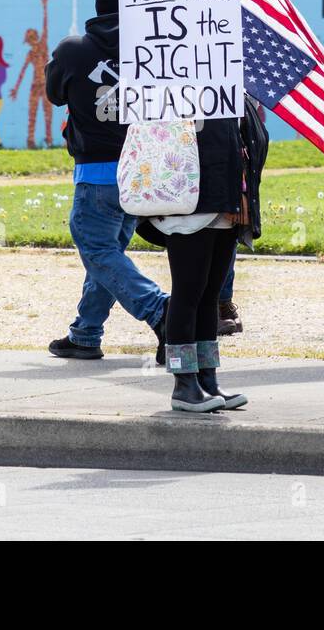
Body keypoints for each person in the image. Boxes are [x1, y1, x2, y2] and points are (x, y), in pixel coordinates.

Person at [43, 0, 168, 362]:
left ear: (97, 11)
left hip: (96, 173)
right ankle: (85, 333)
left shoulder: (73, 50)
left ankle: (161, 311)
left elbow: (54, 94)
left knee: (98, 252)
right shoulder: (153, 48)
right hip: (140, 172)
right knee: (107, 255)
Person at [137, 97, 268, 413]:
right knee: (188, 293)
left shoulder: (232, 88)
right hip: (188, 206)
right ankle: (184, 383)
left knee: (211, 295)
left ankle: (207, 379)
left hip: (226, 204)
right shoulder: (173, 91)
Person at [11, 0, 53, 148]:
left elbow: (45, 26)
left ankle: (49, 139)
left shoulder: (43, 45)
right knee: (32, 115)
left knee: (48, 114)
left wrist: (44, 7)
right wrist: (16, 88)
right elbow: (22, 71)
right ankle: (31, 140)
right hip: (36, 86)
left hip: (46, 85)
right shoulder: (30, 54)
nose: (30, 43)